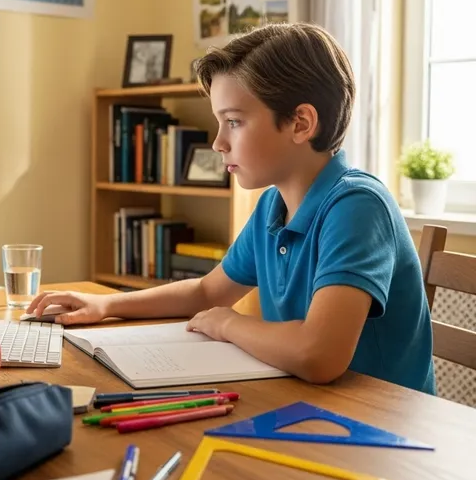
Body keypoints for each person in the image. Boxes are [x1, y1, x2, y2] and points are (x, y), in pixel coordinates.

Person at [28, 22, 436, 394]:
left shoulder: (357, 207)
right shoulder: (274, 206)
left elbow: (319, 354)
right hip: (312, 406)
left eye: (234, 121)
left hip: (386, 431)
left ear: (300, 123)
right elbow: (209, 290)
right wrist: (107, 304)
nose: (218, 142)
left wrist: (229, 323)